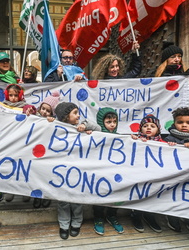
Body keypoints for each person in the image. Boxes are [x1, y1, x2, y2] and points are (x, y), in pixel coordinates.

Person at [54, 102, 101, 240]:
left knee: (76, 199)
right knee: (62, 200)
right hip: (61, 171)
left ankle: (76, 222)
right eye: (75, 113)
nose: (78, 115)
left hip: (77, 171)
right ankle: (64, 224)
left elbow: (98, 128)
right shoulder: (56, 128)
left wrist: (85, 126)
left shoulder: (81, 128)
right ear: (65, 117)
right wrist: (50, 121)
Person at [130, 115, 164, 233]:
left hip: (154, 175)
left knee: (152, 196)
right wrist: (134, 140)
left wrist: (171, 146)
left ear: (158, 129)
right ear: (140, 129)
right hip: (139, 174)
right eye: (145, 126)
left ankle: (149, 216)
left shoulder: (163, 143)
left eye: (152, 126)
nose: (148, 128)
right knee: (138, 195)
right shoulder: (136, 139)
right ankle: (136, 215)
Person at [93, 107, 124, 235]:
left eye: (114, 121)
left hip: (115, 172)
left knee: (115, 194)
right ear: (101, 123)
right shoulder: (96, 135)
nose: (112, 124)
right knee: (99, 195)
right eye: (108, 122)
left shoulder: (121, 138)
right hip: (100, 172)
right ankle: (98, 217)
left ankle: (112, 215)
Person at [155, 42, 189, 106]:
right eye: (173, 57)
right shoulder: (158, 76)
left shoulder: (184, 74)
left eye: (179, 56)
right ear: (166, 60)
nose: (177, 59)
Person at [32, 91, 60, 208]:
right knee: (35, 174)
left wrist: (53, 122)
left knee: (46, 175)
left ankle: (46, 196)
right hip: (34, 152)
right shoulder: (33, 118)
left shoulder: (54, 122)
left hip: (48, 152)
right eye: (43, 108)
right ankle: (36, 197)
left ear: (52, 113)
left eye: (48, 111)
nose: (44, 112)